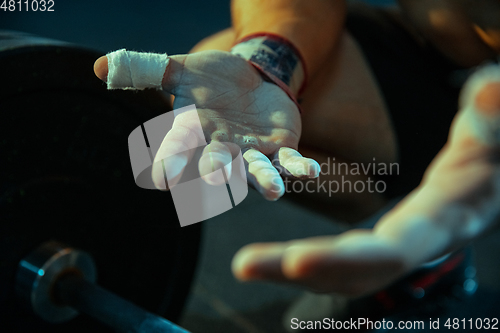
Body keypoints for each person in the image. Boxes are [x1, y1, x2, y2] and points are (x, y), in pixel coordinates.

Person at [94, 0, 500, 323]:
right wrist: (269, 64)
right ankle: (109, 246)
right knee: (218, 88)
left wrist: (456, 200)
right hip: (440, 49)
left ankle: (427, 256)